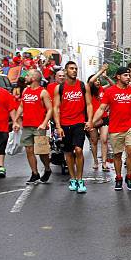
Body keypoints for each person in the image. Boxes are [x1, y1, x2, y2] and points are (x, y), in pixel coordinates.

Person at [93, 67, 131, 191]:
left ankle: (129, 176)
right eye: (126, 75)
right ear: (118, 77)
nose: (128, 77)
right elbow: (101, 109)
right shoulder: (110, 92)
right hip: (115, 127)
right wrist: (92, 122)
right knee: (117, 155)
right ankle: (118, 178)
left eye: (129, 75)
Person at [53, 61, 93, 193]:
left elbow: (89, 104)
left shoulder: (83, 86)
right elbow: (56, 108)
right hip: (64, 124)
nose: (74, 71)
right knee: (68, 152)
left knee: (79, 150)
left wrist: (90, 120)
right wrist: (58, 126)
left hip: (79, 123)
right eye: (71, 68)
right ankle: (73, 178)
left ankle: (80, 179)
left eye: (75, 68)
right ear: (65, 71)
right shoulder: (59, 88)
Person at [13, 69, 53, 184]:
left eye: (28, 75)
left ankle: (47, 169)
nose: (25, 77)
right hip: (27, 126)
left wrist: (44, 123)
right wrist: (15, 120)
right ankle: (34, 173)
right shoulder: (25, 90)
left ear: (34, 78)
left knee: (42, 151)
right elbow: (21, 106)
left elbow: (50, 109)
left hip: (39, 126)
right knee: (29, 150)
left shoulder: (43, 92)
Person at [88, 64, 112, 171]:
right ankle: (95, 160)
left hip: (104, 118)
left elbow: (113, 85)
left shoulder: (103, 89)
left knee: (104, 140)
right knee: (93, 141)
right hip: (92, 120)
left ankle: (104, 162)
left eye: (99, 80)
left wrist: (106, 77)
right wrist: (100, 70)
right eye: (96, 80)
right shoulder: (88, 91)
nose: (97, 82)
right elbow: (90, 82)